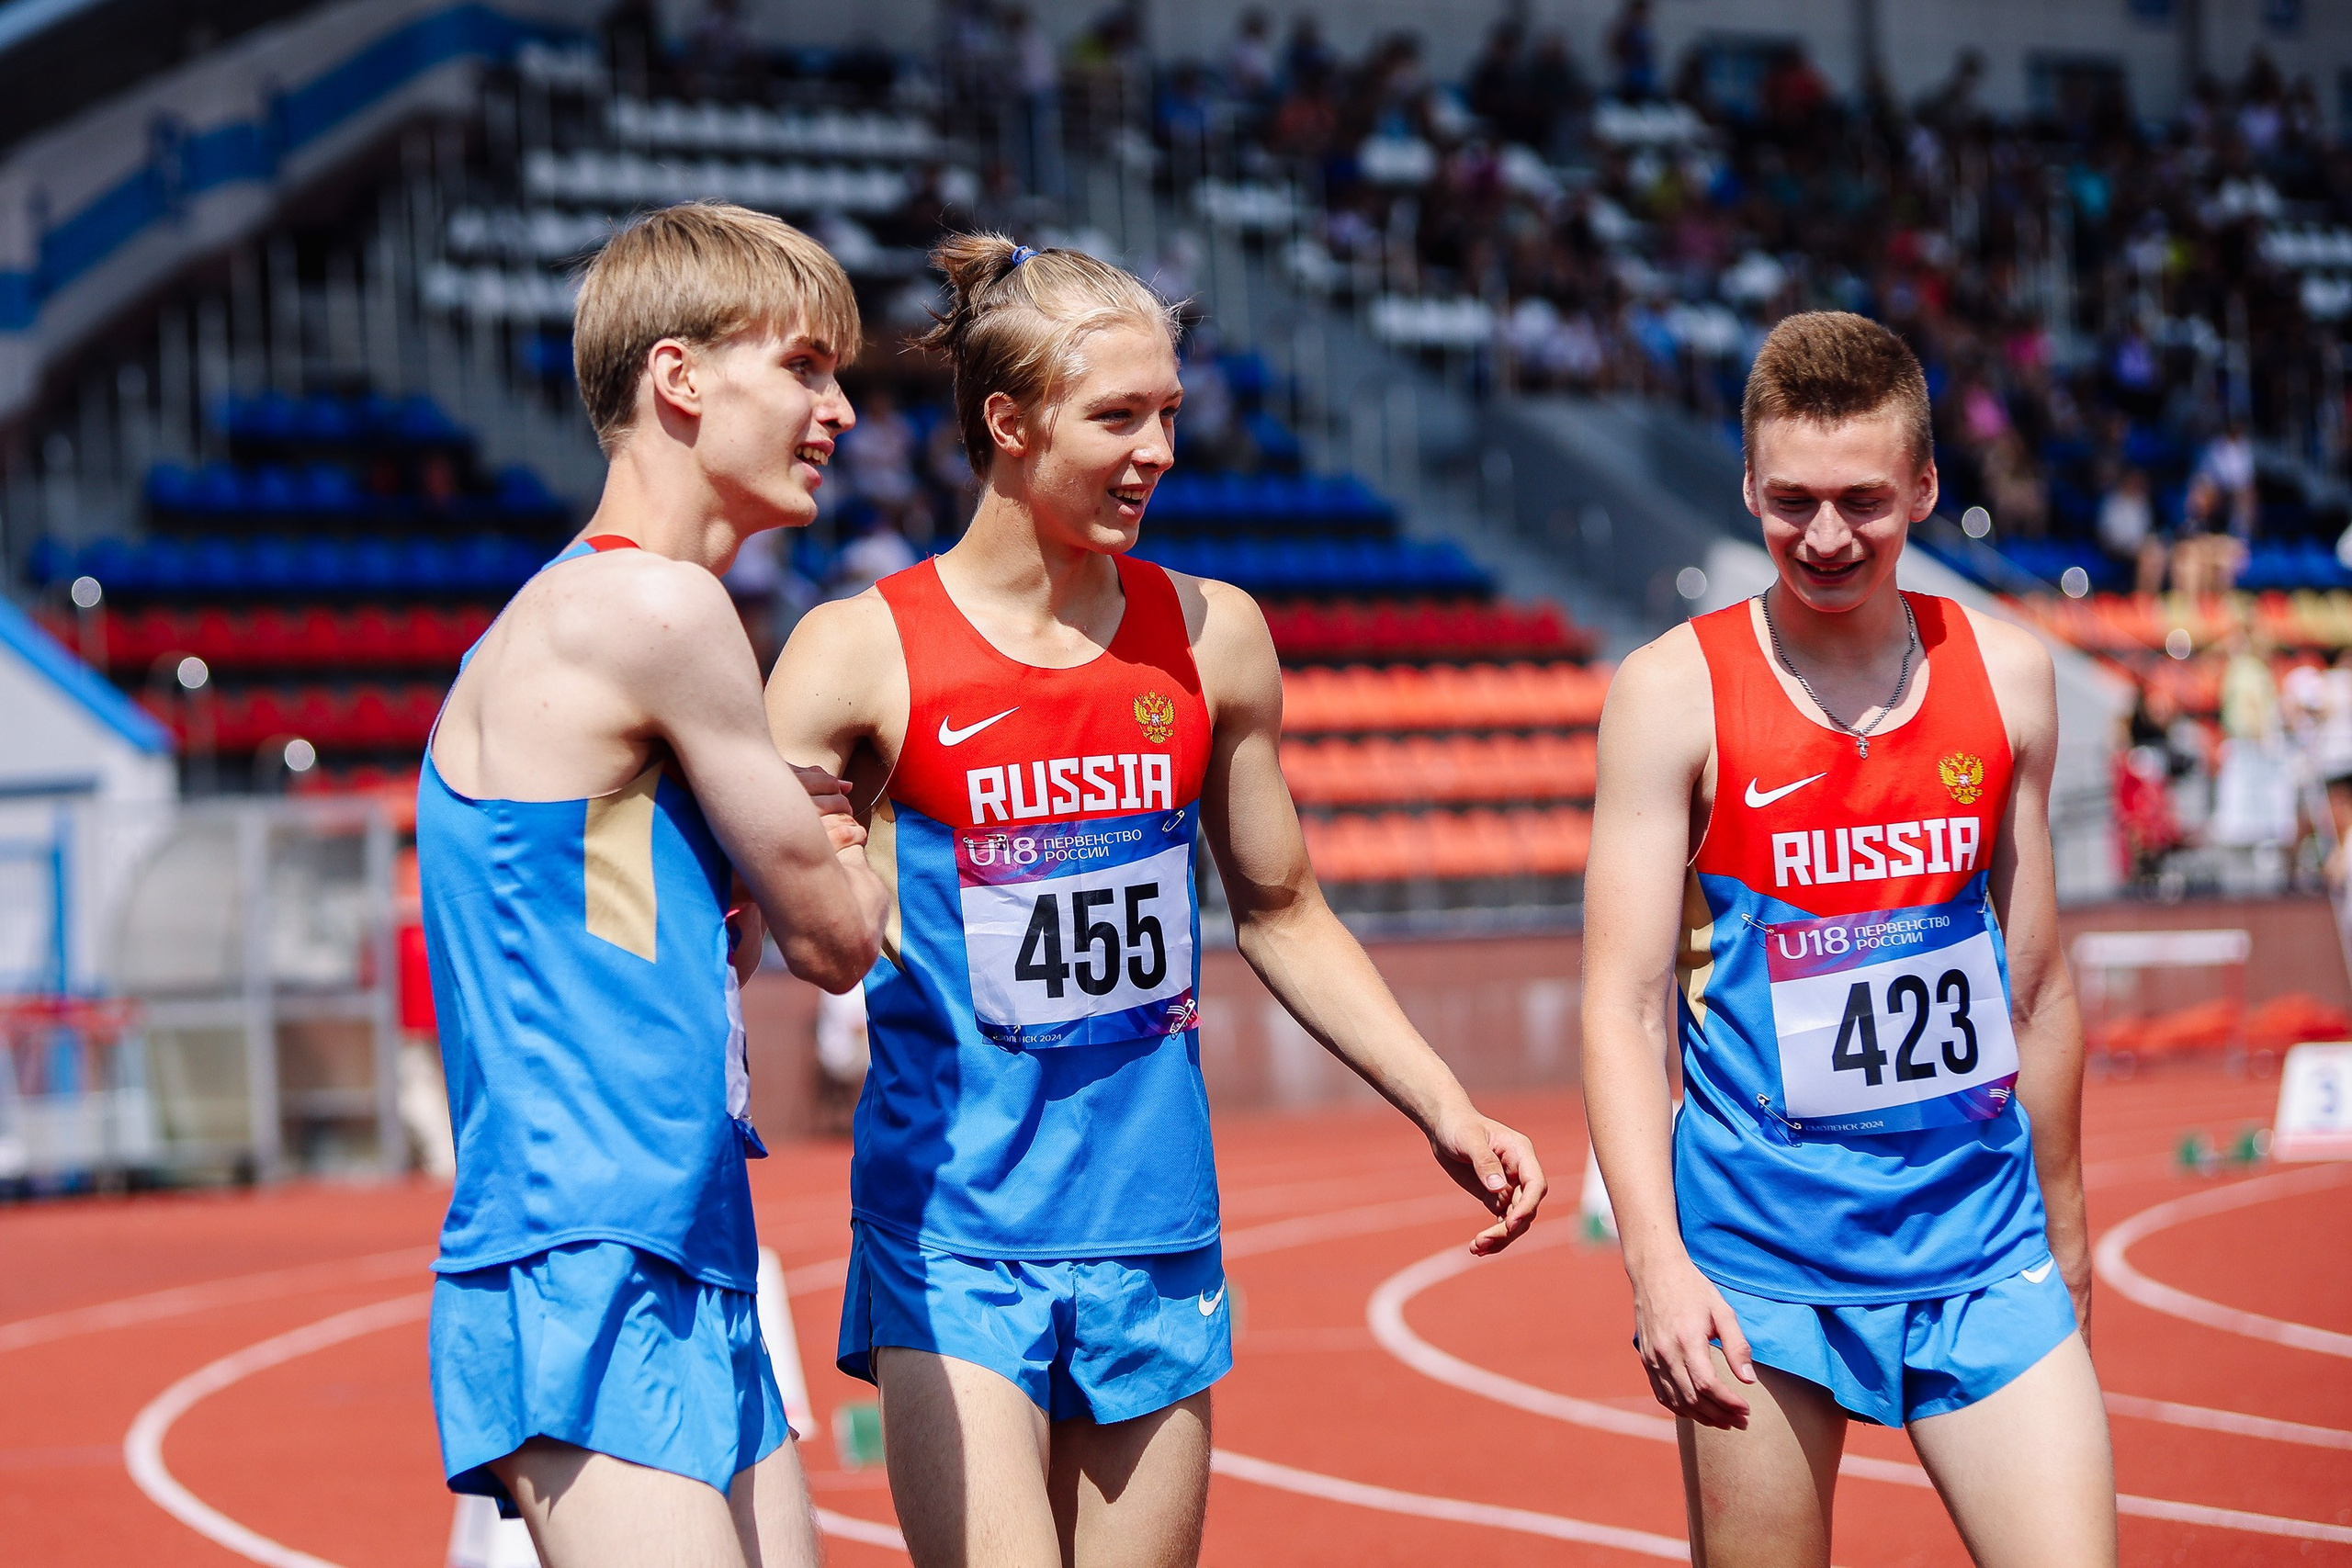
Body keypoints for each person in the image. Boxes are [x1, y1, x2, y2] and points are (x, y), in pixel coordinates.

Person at [764, 234, 1546, 1567]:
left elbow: (1283, 909)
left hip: (1153, 1228)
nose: (1160, 451)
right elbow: (765, 918)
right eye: (1119, 416)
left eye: (1170, 413)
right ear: (1008, 423)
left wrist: (1443, 1099)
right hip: (955, 1233)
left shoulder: (1214, 634)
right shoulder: (856, 652)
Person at [1583, 311, 2116, 1566]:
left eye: (1865, 501)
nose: (1826, 537)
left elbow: (2036, 992)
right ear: (1751, 488)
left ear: (1926, 486)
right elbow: (1622, 1004)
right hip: (1758, 1262)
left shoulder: (2011, 679)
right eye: (1792, 502)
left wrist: (2072, 1237)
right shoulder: (1672, 692)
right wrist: (1655, 1265)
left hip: (1983, 1247)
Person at [418, 203, 889, 1568]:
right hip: (592, 1244)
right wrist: (842, 837)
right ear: (680, 380)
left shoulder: (590, 623)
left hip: (671, 1236)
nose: (842, 412)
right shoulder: (655, 613)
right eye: (805, 368)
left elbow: (653, 932)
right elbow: (840, 939)